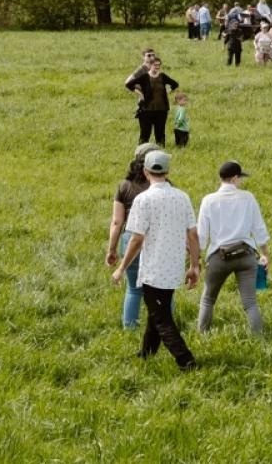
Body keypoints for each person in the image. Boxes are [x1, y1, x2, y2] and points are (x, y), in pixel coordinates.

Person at [112, 150, 199, 370]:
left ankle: (186, 361)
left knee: (161, 319)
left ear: (145, 171)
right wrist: (194, 266)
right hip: (174, 267)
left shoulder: (143, 200)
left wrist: (122, 268)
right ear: (168, 171)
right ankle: (146, 353)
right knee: (156, 311)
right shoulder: (182, 197)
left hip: (153, 270)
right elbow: (193, 235)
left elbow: (137, 239)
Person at [195, 160, 270, 334]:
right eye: (240, 178)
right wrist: (265, 253)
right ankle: (259, 338)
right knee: (250, 302)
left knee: (207, 300)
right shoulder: (248, 197)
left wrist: (197, 258)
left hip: (219, 257)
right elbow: (259, 228)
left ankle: (202, 335)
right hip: (246, 255)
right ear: (235, 178)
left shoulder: (209, 200)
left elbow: (202, 235)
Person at [105, 141, 160, 330]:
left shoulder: (125, 186)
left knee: (134, 288)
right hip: (159, 239)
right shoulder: (166, 186)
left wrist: (112, 249)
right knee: (162, 288)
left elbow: (116, 222)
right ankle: (165, 325)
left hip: (132, 237)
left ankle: (130, 328)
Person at [125, 56, 179, 146]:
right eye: (155, 65)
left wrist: (167, 91)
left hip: (161, 110)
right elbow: (129, 84)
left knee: (160, 134)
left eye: (159, 65)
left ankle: (160, 152)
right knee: (145, 134)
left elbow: (175, 84)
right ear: (150, 65)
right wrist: (140, 94)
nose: (157, 67)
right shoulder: (144, 77)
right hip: (146, 110)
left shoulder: (163, 76)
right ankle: (141, 153)